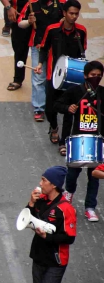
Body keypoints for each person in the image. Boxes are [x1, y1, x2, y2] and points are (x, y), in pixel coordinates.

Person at [25, 166, 77, 283]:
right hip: (38, 257)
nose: (40, 183)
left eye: (44, 180)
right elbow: (26, 218)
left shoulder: (65, 209)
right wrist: (30, 203)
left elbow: (69, 237)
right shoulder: (41, 201)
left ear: (54, 184)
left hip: (56, 261)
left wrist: (46, 236)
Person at [54, 61, 104, 221]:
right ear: (85, 76)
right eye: (92, 75)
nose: (96, 78)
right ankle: (68, 196)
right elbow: (57, 104)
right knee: (73, 173)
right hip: (77, 138)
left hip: (97, 140)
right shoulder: (75, 91)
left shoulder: (102, 93)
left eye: (99, 76)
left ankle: (90, 208)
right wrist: (68, 108)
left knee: (94, 177)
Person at [35, 0, 87, 146]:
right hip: (53, 75)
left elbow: (82, 52)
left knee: (69, 111)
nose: (74, 17)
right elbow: (44, 48)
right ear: (64, 13)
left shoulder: (81, 31)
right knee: (50, 109)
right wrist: (40, 64)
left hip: (73, 77)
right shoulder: (52, 29)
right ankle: (53, 126)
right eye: (71, 13)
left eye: (76, 14)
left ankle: (63, 142)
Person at [18, 0, 65, 121]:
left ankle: (59, 104)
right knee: (38, 77)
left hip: (57, 46)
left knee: (59, 75)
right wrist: (29, 21)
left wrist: (64, 21)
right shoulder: (32, 4)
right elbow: (20, 23)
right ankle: (39, 108)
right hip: (38, 45)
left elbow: (71, 18)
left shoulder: (63, 3)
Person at [2, 0, 31, 92]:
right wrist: (8, 7)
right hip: (18, 15)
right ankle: (18, 79)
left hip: (41, 16)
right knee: (19, 49)